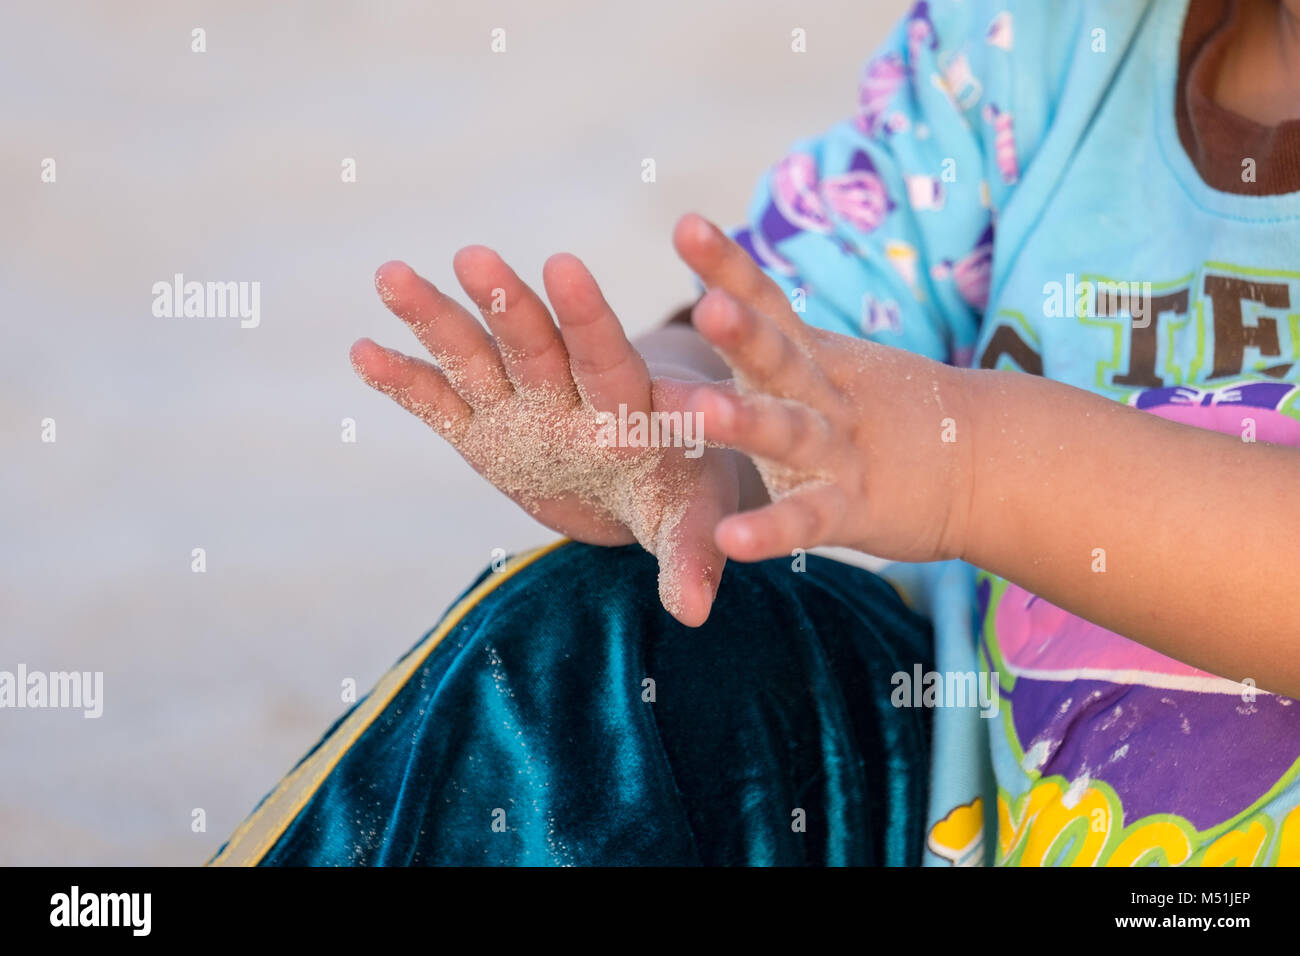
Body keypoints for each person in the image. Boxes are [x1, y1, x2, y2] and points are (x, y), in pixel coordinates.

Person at [212, 0, 1300, 866]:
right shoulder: (1031, 43)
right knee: (596, 632)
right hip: (962, 820)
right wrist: (676, 434)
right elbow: (781, 356)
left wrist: (971, 465)